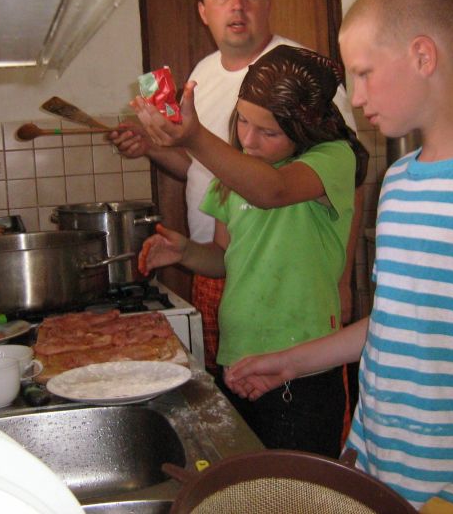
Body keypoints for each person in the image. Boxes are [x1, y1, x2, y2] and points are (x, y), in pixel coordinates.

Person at [225, 0, 453, 513]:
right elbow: (395, 319)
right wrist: (291, 363)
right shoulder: (397, 182)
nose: (356, 97)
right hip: (381, 473)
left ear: (422, 56)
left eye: (364, 73)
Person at [108, 0, 363, 374]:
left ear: (268, 3)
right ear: (203, 11)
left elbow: (340, 183)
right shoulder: (202, 75)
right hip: (223, 266)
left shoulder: (302, 77)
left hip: (299, 293)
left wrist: (342, 280)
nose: (238, 5)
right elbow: (205, 169)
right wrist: (155, 148)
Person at [132, 44, 368, 457]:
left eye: (268, 131)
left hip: (304, 367)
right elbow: (224, 257)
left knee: (297, 489)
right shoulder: (234, 172)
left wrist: (194, 137)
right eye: (242, 120)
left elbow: (272, 191)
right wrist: (186, 252)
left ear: (306, 129)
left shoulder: (333, 159)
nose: (249, 139)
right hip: (238, 360)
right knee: (249, 485)